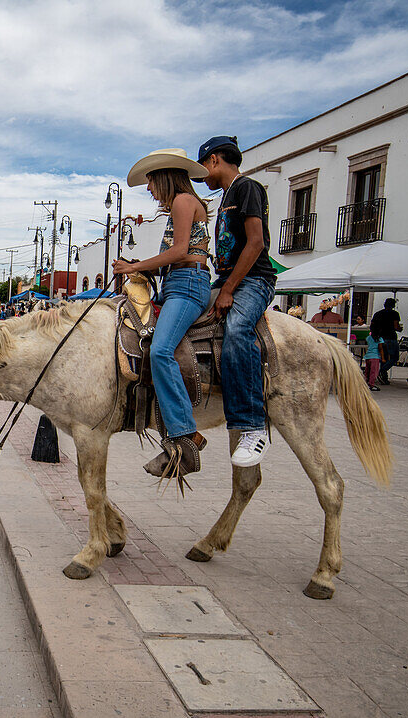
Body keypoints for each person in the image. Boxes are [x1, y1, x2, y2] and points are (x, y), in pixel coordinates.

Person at [113, 148, 213, 477]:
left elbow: (181, 251)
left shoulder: (184, 201)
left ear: (166, 176)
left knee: (160, 351)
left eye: (152, 181)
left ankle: (185, 435)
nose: (149, 189)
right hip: (177, 284)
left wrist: (134, 265)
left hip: (187, 286)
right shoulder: (180, 207)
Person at [198, 135, 276, 467]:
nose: (202, 175)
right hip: (229, 279)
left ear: (214, 159)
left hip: (254, 280)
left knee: (237, 332)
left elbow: (255, 242)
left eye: (203, 166)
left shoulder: (248, 188)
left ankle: (252, 426)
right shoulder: (228, 196)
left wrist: (229, 289)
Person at [369, 298, 401, 385]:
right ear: (393, 306)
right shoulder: (394, 314)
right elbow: (396, 326)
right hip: (390, 337)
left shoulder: (378, 314)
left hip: (379, 338)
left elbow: (372, 326)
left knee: (384, 358)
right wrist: (400, 329)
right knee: (394, 357)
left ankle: (384, 376)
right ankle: (382, 371)